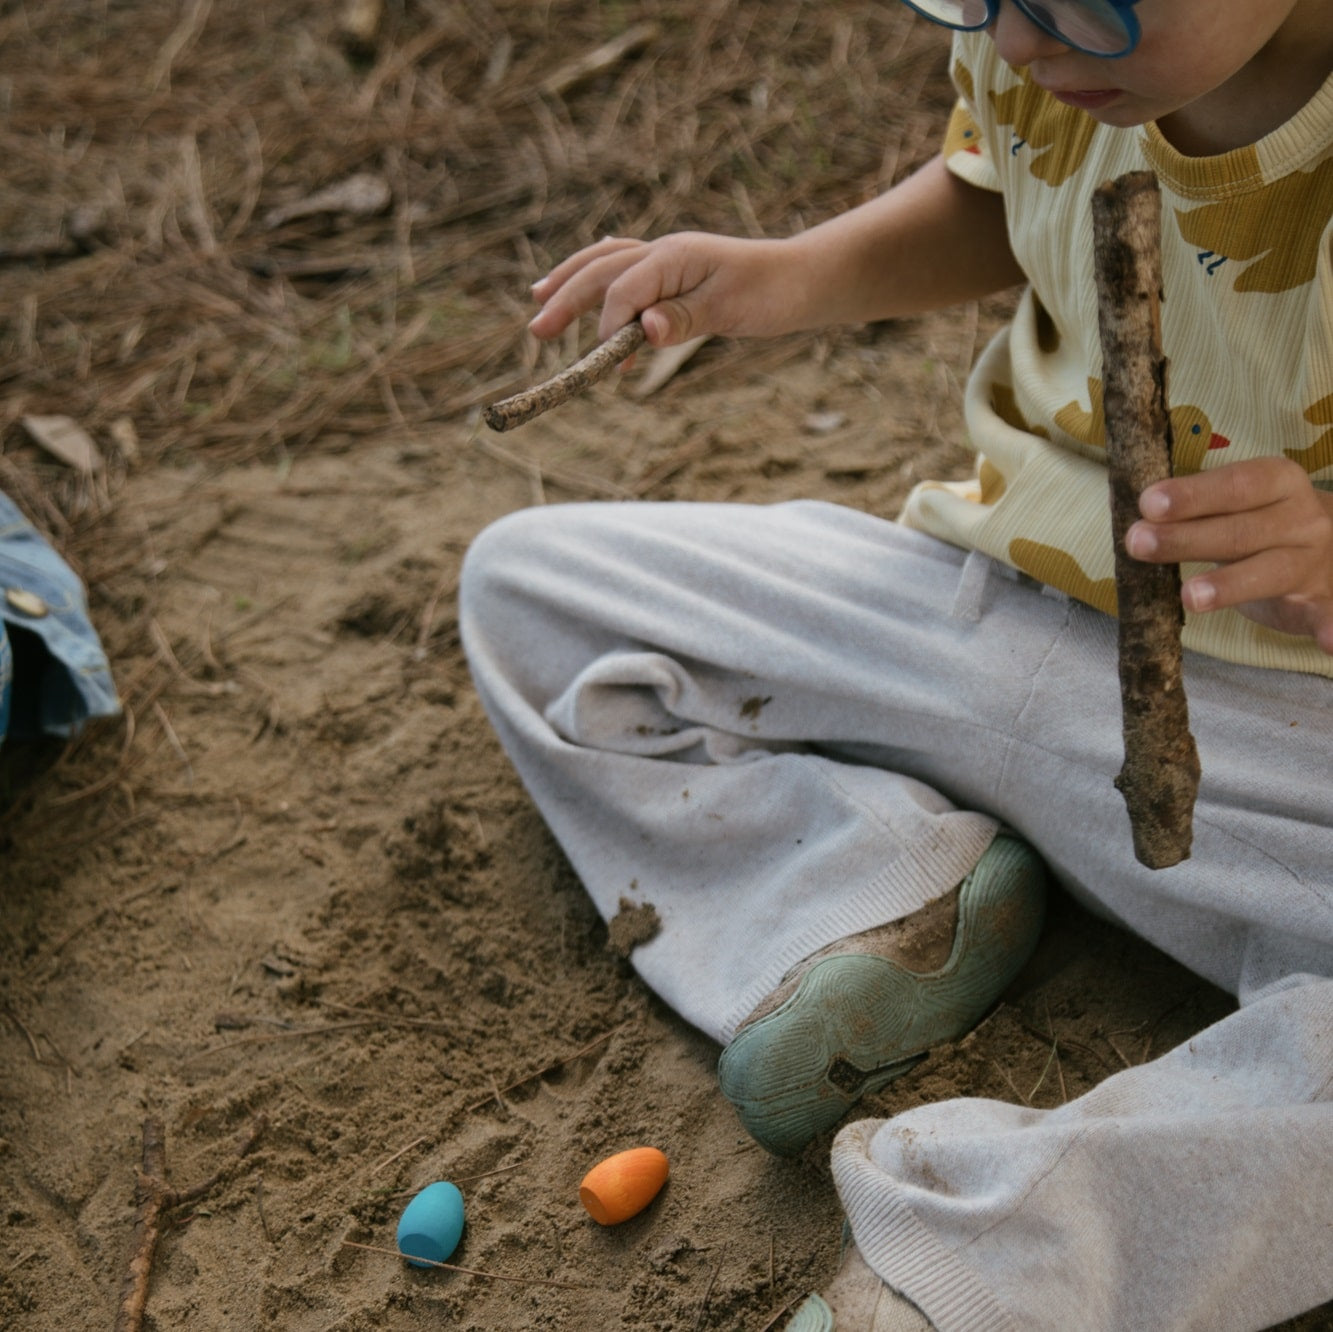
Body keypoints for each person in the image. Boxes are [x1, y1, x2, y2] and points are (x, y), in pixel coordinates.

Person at [459, 0, 1333, 1327]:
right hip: (979, 612)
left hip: (1277, 747)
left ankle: (994, 1265)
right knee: (532, 587)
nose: (1023, 46)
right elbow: (1000, 189)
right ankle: (875, 905)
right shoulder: (1043, 47)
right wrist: (784, 274)